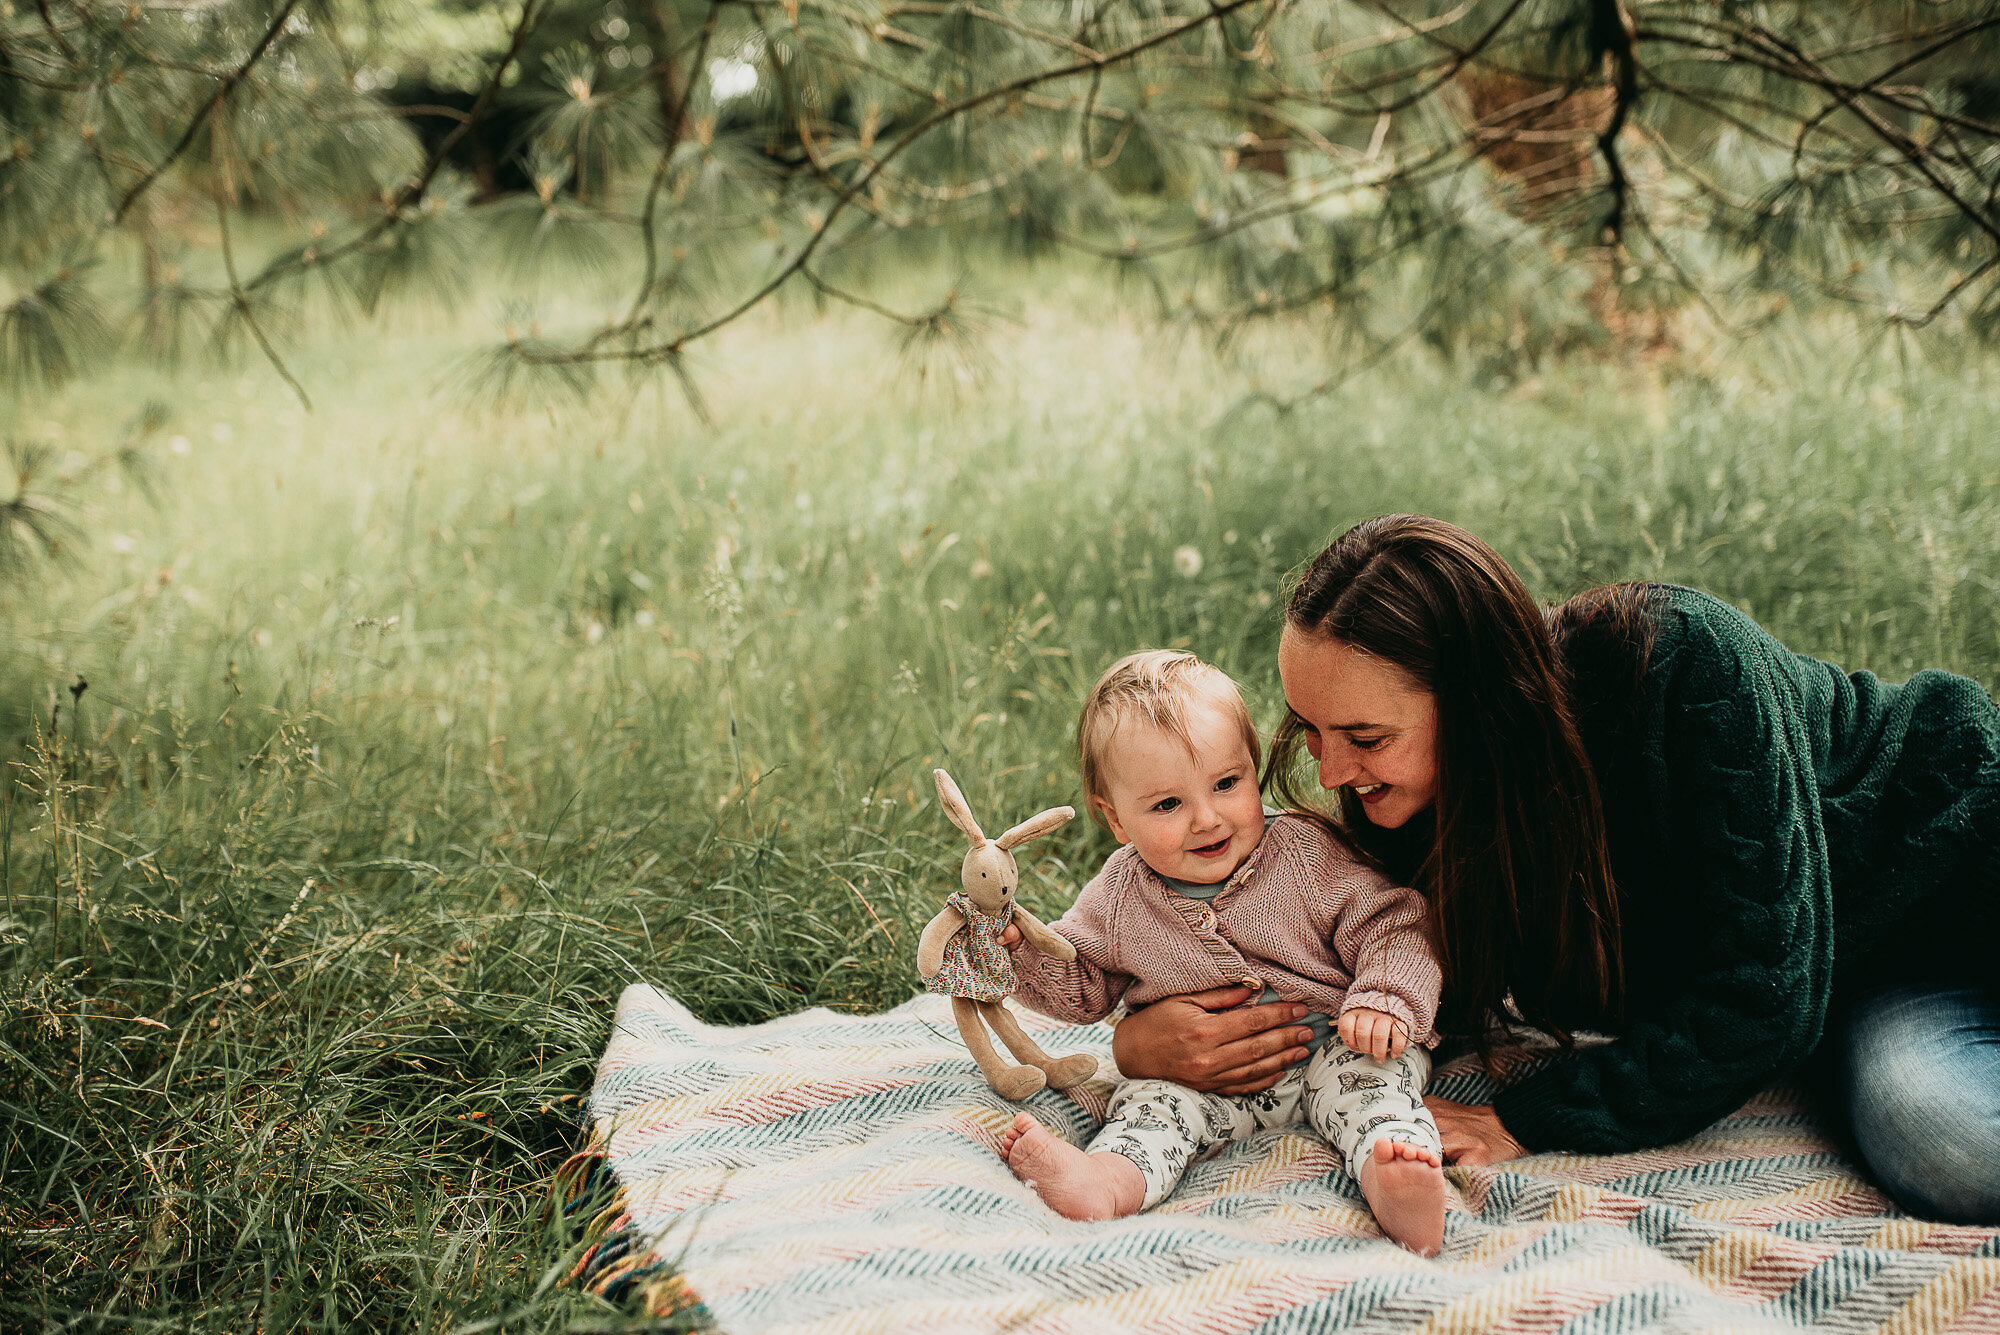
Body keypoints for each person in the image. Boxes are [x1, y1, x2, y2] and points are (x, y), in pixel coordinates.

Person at [1108, 514, 2000, 1225]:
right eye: (1309, 728)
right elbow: (1377, 977)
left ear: (1478, 704)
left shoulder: (1685, 667)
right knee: (1947, 1141)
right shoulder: (1419, 801)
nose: (1331, 771)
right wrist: (1140, 1037)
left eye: (1365, 738)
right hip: (1870, 983)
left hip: (1960, 868)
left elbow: (1763, 995)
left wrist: (1525, 1118)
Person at [996, 650, 1450, 1252]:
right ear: (1116, 820)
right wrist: (1017, 952)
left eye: (1226, 784)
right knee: (1152, 1110)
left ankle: (1395, 1177)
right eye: (1167, 805)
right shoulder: (1118, 893)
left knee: (1372, 1088)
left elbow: (1393, 923)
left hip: (1337, 1042)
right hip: (1203, 1082)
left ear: (1252, 769)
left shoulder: (1305, 855)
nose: (1207, 819)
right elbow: (1081, 983)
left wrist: (1385, 1000)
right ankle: (1107, 1181)